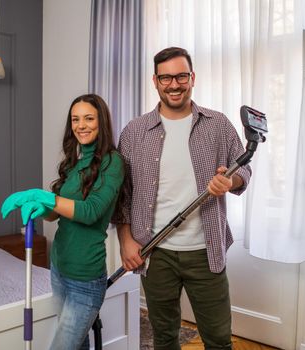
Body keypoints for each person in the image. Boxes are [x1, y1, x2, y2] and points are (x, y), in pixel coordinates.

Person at [114, 47, 252, 350]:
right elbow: (122, 195)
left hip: (207, 251)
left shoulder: (217, 124)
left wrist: (230, 181)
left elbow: (246, 171)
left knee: (217, 339)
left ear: (193, 78)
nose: (174, 84)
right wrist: (125, 240)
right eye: (166, 78)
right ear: (155, 81)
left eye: (181, 76)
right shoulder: (135, 131)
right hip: (155, 253)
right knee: (164, 338)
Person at [1, 94, 124, 350]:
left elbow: (90, 212)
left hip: (85, 278)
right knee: (77, 344)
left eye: (89, 118)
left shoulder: (113, 162)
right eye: (75, 119)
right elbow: (57, 214)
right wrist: (41, 208)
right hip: (59, 269)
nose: (81, 125)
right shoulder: (73, 164)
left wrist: (44, 196)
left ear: (101, 122)